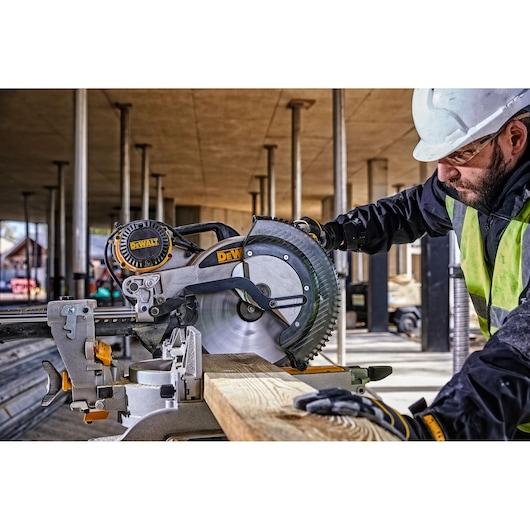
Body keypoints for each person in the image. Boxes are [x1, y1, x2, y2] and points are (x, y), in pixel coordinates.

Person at [293, 89, 530, 441]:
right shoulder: (467, 187)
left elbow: (523, 343)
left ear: (514, 137)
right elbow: (406, 211)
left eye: (461, 153)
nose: (444, 173)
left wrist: (442, 425)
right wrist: (331, 234)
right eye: (439, 157)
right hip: (512, 402)